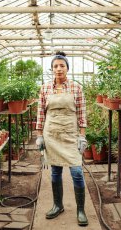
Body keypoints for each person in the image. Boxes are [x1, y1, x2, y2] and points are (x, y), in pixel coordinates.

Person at [36, 51, 88, 226]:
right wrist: (39, 136)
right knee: (55, 172)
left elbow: (82, 114)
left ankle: (80, 209)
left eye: (62, 65)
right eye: (55, 66)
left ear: (67, 68)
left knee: (77, 172)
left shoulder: (76, 88)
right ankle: (58, 205)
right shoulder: (44, 89)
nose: (59, 69)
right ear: (52, 69)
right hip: (51, 135)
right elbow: (40, 115)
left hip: (70, 135)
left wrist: (82, 136)